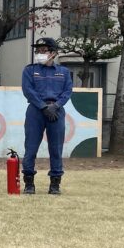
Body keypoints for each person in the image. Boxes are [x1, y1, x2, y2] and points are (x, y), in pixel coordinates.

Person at [21, 37, 72, 195]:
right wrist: (43, 107)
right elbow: (28, 90)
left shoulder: (64, 72)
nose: (39, 53)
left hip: (56, 111)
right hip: (36, 111)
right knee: (31, 147)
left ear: (53, 53)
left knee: (56, 148)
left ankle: (55, 184)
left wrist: (55, 106)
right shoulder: (29, 70)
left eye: (44, 50)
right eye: (38, 51)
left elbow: (67, 92)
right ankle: (29, 183)